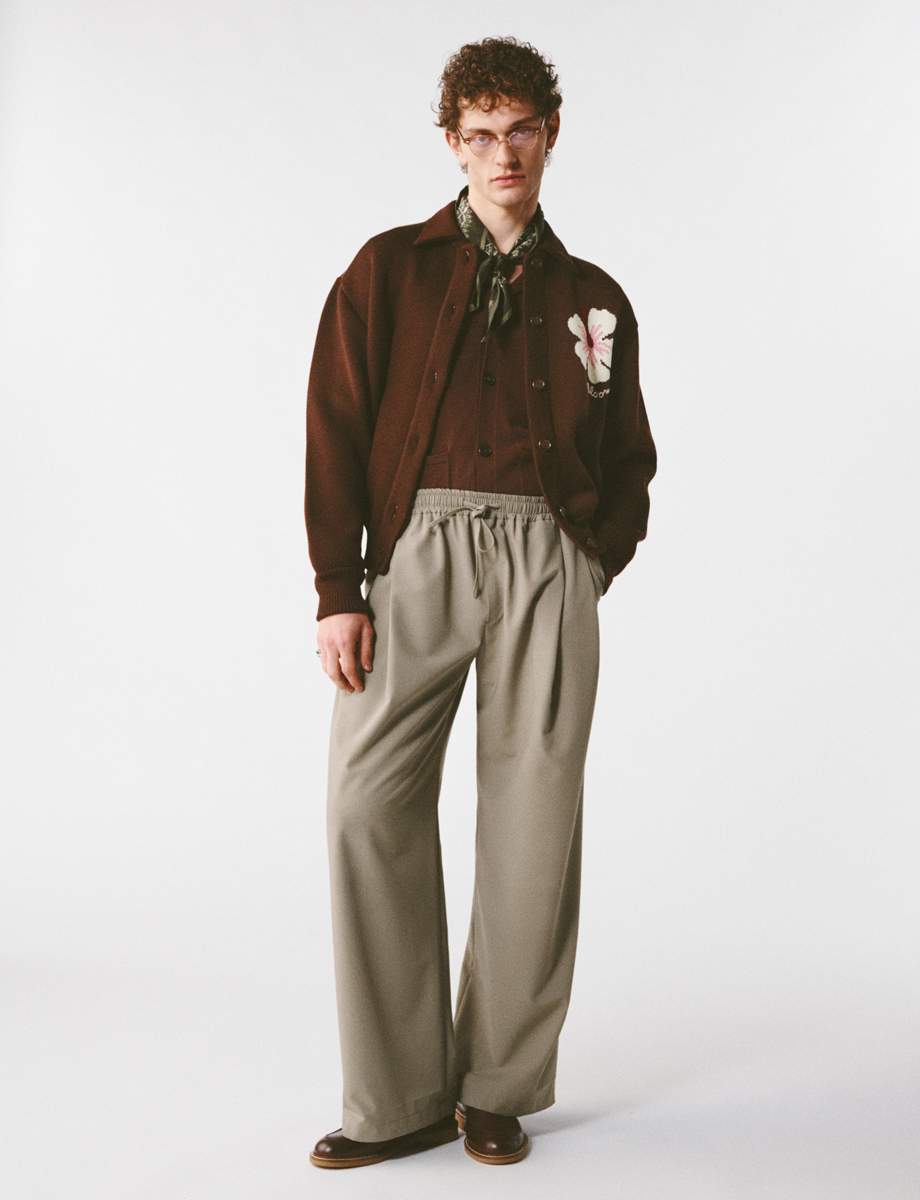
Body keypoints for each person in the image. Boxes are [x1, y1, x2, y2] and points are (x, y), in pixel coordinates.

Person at [304, 36, 656, 1169]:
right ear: (453, 144)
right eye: (481, 134)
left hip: (548, 561)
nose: (503, 153)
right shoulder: (387, 272)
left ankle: (497, 1087)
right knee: (366, 804)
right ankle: (399, 1094)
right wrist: (340, 587)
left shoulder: (593, 298)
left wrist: (588, 560)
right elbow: (335, 429)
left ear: (549, 136)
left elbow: (630, 457)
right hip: (416, 556)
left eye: (521, 131)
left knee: (533, 823)